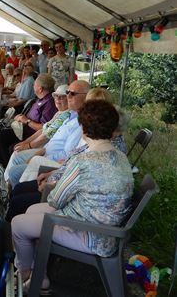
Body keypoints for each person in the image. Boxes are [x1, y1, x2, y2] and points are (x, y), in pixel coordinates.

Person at [11, 100, 134, 294]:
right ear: (112, 128)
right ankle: (38, 270)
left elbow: (55, 200)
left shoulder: (84, 160)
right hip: (106, 228)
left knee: (18, 224)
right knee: (32, 210)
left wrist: (53, 185)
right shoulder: (120, 156)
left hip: (90, 234)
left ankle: (27, 274)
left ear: (84, 128)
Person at [5, 80, 89, 186]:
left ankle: (10, 188)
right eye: (67, 93)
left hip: (53, 160)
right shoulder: (68, 114)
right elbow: (44, 130)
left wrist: (32, 148)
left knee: (15, 168)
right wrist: (30, 145)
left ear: (86, 97)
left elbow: (64, 152)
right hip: (46, 151)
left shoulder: (80, 122)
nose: (67, 97)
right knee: (15, 153)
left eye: (71, 93)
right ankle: (7, 186)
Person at [0, 74, 57, 167]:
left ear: (40, 89)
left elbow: (44, 128)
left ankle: (6, 166)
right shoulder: (41, 99)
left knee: (8, 143)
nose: (33, 87)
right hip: (24, 130)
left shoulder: (49, 103)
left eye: (34, 85)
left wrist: (27, 121)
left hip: (31, 135)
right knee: (2, 135)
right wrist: (22, 118)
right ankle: (3, 165)